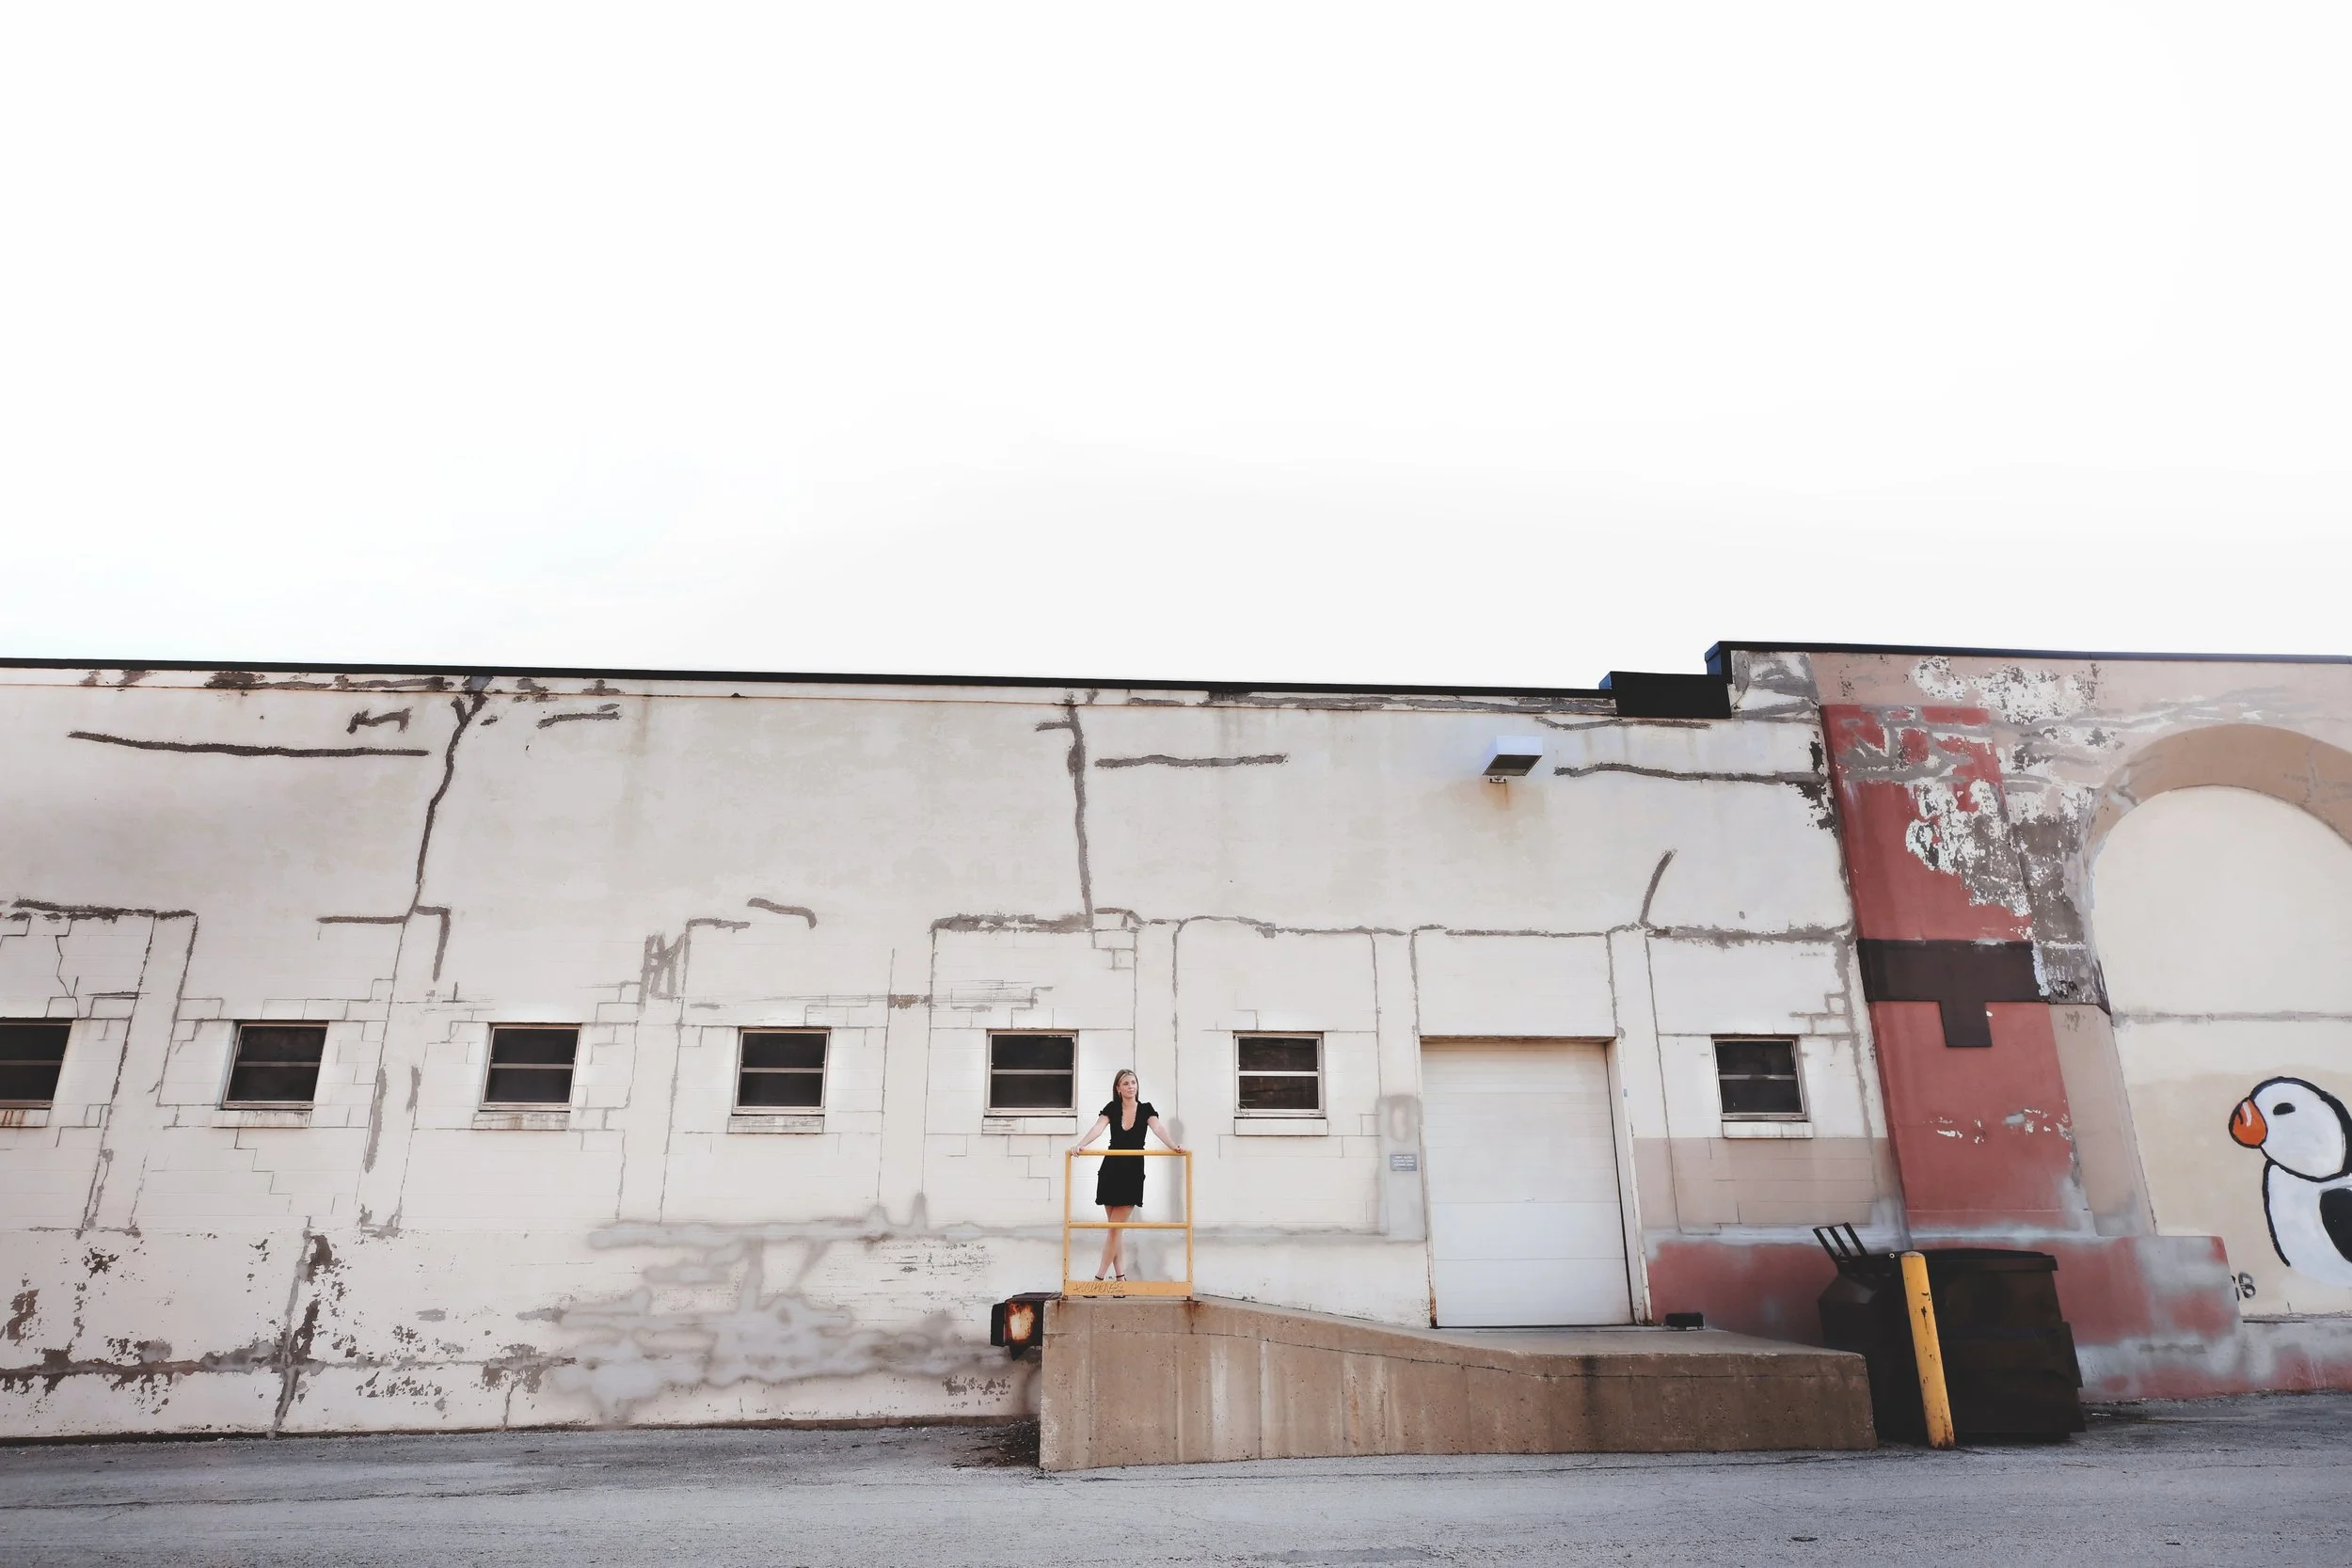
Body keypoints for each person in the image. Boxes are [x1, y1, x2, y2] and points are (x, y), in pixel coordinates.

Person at [1071, 1069, 1184, 1281]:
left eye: (1133, 1083)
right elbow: (1097, 1128)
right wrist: (1081, 1145)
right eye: (1126, 1083)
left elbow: (1158, 1128)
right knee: (1115, 1231)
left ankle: (1099, 1279)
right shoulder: (1112, 1108)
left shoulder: (1146, 1109)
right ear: (1118, 1088)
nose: (1131, 1086)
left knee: (1114, 1229)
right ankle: (1121, 1278)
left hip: (1132, 1171)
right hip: (1110, 1169)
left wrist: (1173, 1146)